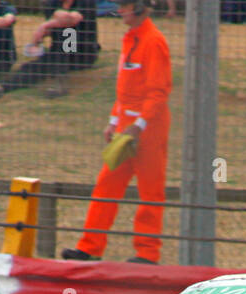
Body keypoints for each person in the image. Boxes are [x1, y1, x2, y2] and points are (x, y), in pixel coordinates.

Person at [61, 0, 170, 264]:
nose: (120, 10)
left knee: (150, 191)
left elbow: (158, 92)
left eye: (125, 5)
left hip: (148, 130)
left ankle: (147, 253)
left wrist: (139, 125)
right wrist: (114, 121)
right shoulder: (131, 38)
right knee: (106, 186)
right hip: (126, 129)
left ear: (141, 7)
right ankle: (89, 247)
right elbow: (125, 87)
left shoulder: (153, 41)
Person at [0, 0, 100, 97]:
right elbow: (52, 28)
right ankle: (2, 86)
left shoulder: (85, 2)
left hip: (83, 54)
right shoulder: (52, 3)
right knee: (36, 66)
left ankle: (61, 81)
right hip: (58, 52)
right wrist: (41, 36)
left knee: (67, 30)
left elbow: (72, 19)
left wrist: (44, 26)